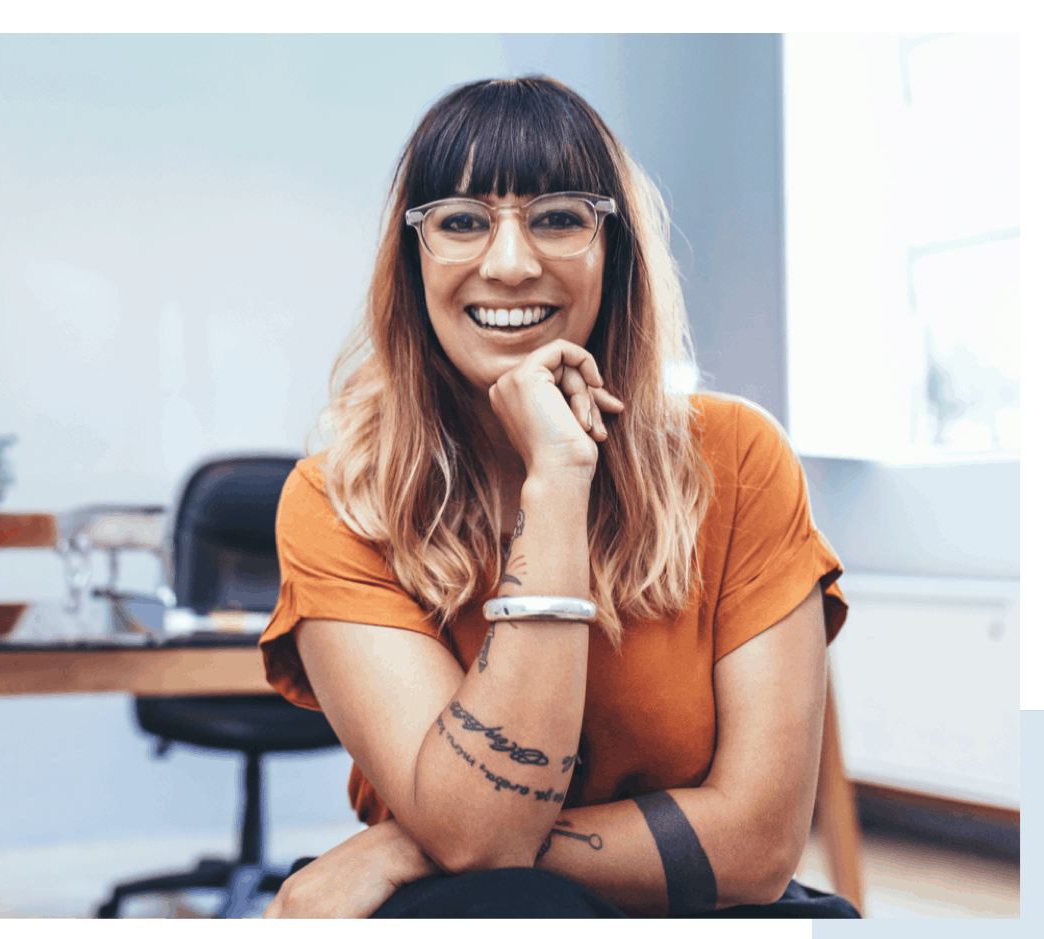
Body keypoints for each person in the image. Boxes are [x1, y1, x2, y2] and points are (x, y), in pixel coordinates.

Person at [257, 76, 857, 919]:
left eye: (559, 217)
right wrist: (557, 483)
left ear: (615, 252)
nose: (509, 263)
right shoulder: (340, 499)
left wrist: (406, 844)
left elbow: (756, 847)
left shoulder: (739, 456)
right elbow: (481, 848)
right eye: (461, 221)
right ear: (412, 259)